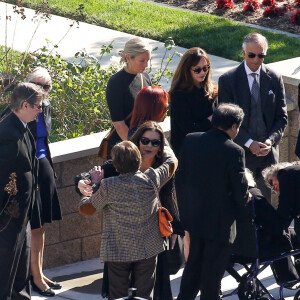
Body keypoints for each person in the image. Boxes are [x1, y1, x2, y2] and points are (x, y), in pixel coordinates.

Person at [77, 121, 182, 300]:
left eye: (154, 143)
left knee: (117, 295)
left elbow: (86, 209)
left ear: (115, 166)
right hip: (148, 249)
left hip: (118, 250)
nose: (149, 145)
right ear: (139, 159)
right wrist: (164, 144)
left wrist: (94, 184)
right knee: (144, 294)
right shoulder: (152, 178)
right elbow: (172, 162)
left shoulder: (107, 185)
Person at [175, 103, 249, 300]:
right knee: (211, 278)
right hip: (219, 225)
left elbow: (180, 179)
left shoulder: (191, 140)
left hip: (193, 219)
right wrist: (246, 198)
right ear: (234, 127)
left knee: (192, 271)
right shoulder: (234, 150)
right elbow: (240, 189)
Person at [218, 32, 288, 203]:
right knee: (241, 203)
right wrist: (249, 143)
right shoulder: (228, 80)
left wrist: (271, 141)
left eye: (261, 55)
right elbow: (226, 122)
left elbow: (282, 117)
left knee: (266, 203)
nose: (256, 59)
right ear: (243, 53)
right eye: (252, 55)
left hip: (267, 155)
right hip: (240, 153)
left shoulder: (275, 78)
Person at [0, 83, 44, 300]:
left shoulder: (22, 124)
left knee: (20, 269)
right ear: (25, 105)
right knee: (6, 271)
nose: (40, 110)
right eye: (37, 106)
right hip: (8, 217)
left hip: (22, 214)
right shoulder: (7, 133)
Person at [25, 67, 62, 296]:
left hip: (44, 165)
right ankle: (35, 277)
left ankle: (38, 271)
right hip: (29, 168)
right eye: (37, 86)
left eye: (45, 87)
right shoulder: (20, 108)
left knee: (42, 224)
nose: (41, 91)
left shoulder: (45, 107)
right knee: (35, 226)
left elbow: (44, 140)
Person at [106, 37, 152, 156]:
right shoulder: (115, 83)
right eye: (142, 60)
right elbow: (119, 123)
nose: (146, 65)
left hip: (145, 143)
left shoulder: (145, 77)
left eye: (148, 60)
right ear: (128, 58)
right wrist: (136, 148)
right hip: (125, 149)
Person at [169, 47, 218, 157]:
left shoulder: (209, 88)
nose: (202, 72)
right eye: (197, 69)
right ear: (186, 70)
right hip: (189, 151)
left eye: (205, 68)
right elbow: (188, 129)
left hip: (210, 146)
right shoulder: (179, 94)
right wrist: (210, 119)